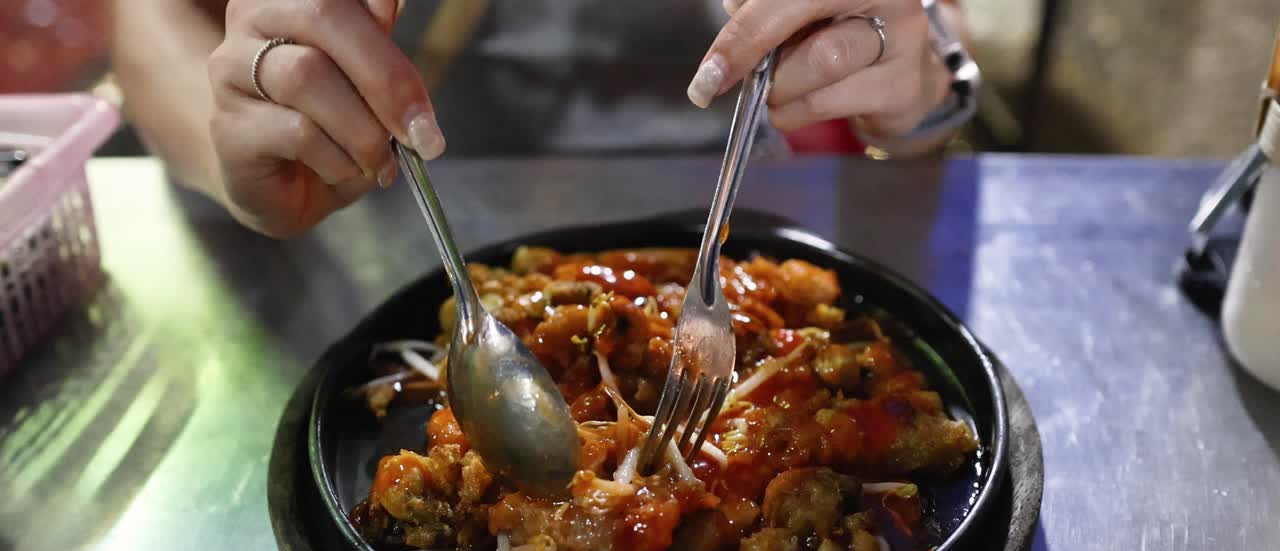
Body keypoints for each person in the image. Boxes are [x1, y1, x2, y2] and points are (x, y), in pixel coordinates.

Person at [110, 0, 973, 238]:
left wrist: (922, 79)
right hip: (382, 215)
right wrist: (231, 139)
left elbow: (931, 40)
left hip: (749, 214)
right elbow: (150, 16)